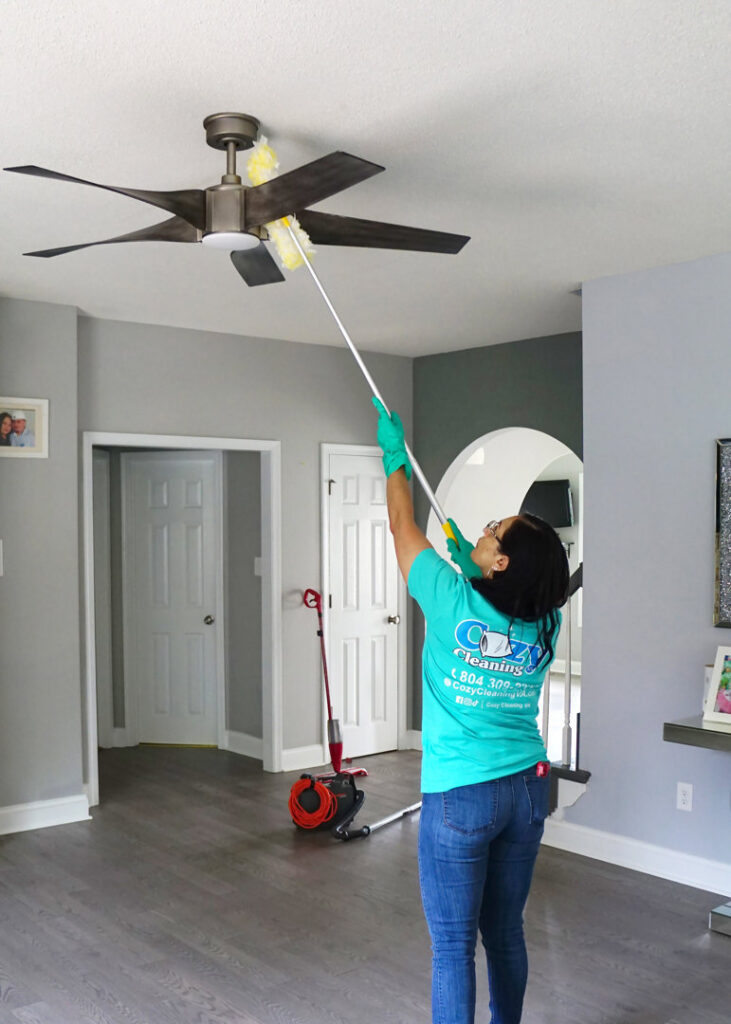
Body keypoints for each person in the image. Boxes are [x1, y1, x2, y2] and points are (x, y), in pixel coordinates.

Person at [373, 397, 569, 1024]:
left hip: (461, 794)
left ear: (503, 562)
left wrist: (393, 458)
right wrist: (470, 563)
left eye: (494, 533)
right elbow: (509, 600)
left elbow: (404, 528)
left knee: (453, 947)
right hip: (528, 789)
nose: (484, 530)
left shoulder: (449, 597)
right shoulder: (548, 624)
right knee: (504, 933)